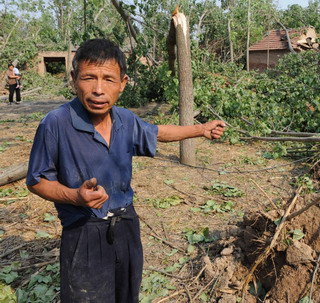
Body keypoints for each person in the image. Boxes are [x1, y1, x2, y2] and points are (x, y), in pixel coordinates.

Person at [26, 38, 225, 303]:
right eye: (89, 78)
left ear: (123, 83)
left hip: (125, 226)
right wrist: (75, 196)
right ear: (74, 79)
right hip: (83, 230)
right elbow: (37, 180)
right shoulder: (56, 123)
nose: (98, 89)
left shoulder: (125, 119)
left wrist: (200, 129)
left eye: (108, 79)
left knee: (126, 293)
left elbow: (158, 133)